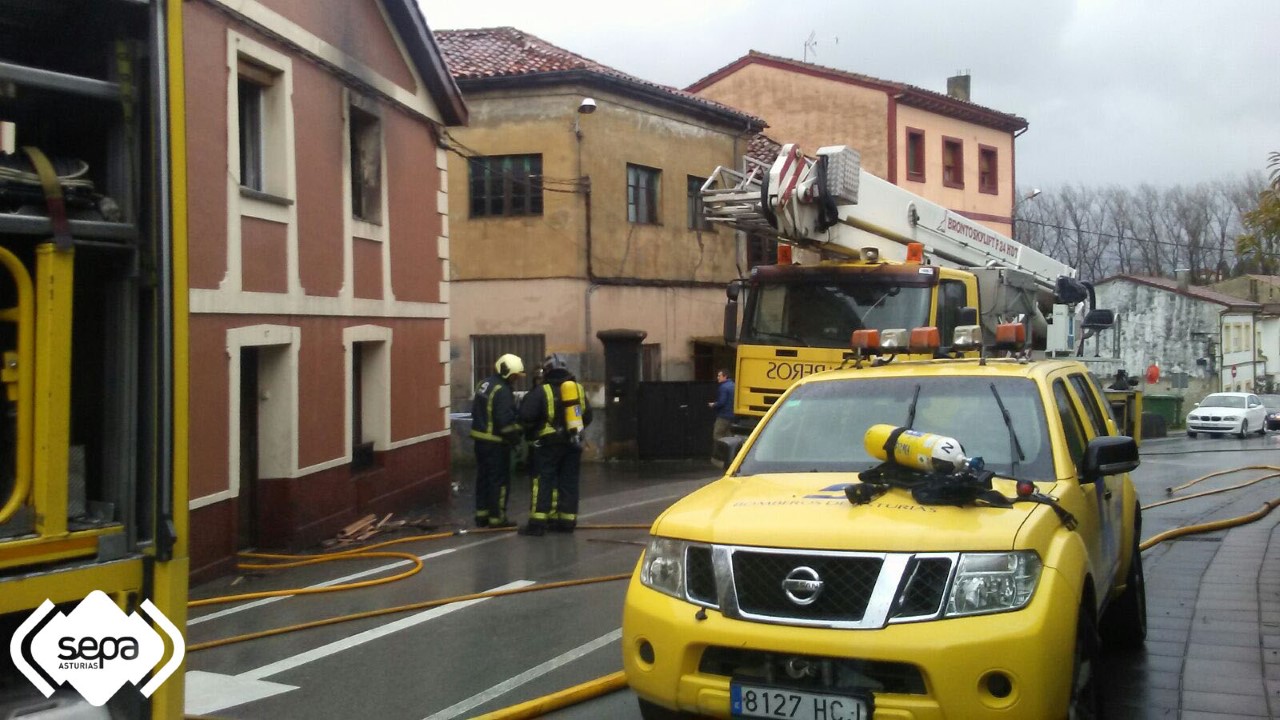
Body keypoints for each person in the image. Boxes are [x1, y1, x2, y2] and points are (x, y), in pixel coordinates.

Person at [518, 354, 593, 536]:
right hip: (573, 444)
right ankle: (567, 522)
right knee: (568, 482)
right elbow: (588, 417)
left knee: (543, 482)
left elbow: (526, 416)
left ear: (548, 370)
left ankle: (537, 523)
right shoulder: (578, 390)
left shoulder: (542, 391)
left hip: (548, 445)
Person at [469, 353, 525, 529]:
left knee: (483, 478)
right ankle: (497, 518)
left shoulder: (484, 384)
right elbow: (505, 423)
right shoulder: (502, 390)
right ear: (508, 372)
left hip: (480, 441)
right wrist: (516, 441)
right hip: (496, 443)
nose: (516, 379)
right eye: (516, 375)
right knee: (499, 481)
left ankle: (481, 516)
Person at [709, 369, 735, 440]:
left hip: (723, 415)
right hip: (731, 415)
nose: (718, 377)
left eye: (719, 376)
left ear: (725, 376)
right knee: (727, 435)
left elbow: (722, 402)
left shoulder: (723, 387)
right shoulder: (733, 385)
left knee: (717, 435)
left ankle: (719, 451)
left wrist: (713, 405)